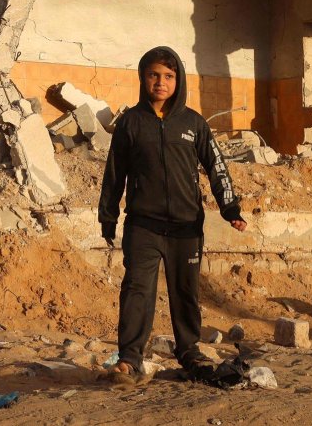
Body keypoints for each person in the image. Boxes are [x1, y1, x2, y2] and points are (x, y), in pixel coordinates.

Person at [99, 45, 246, 383]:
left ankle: (189, 350)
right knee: (137, 289)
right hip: (143, 226)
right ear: (142, 78)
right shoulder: (131, 123)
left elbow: (217, 167)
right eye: (153, 75)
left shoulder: (194, 123)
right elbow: (114, 173)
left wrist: (230, 208)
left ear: (178, 80)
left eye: (168, 76)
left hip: (186, 227)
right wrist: (107, 216)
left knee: (185, 290)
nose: (160, 82)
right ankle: (129, 359)